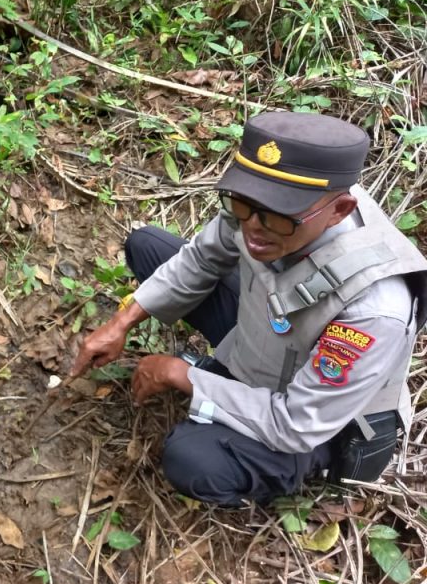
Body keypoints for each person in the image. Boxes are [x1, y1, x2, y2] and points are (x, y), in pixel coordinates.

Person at [68, 111, 427, 506]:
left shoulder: (374, 309)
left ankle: (293, 470)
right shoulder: (269, 208)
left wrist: (183, 375)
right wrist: (122, 322)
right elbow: (203, 258)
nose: (253, 227)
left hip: (316, 418)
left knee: (193, 461)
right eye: (242, 203)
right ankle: (229, 376)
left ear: (339, 210)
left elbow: (296, 425)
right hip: (267, 338)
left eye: (274, 215)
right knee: (149, 246)